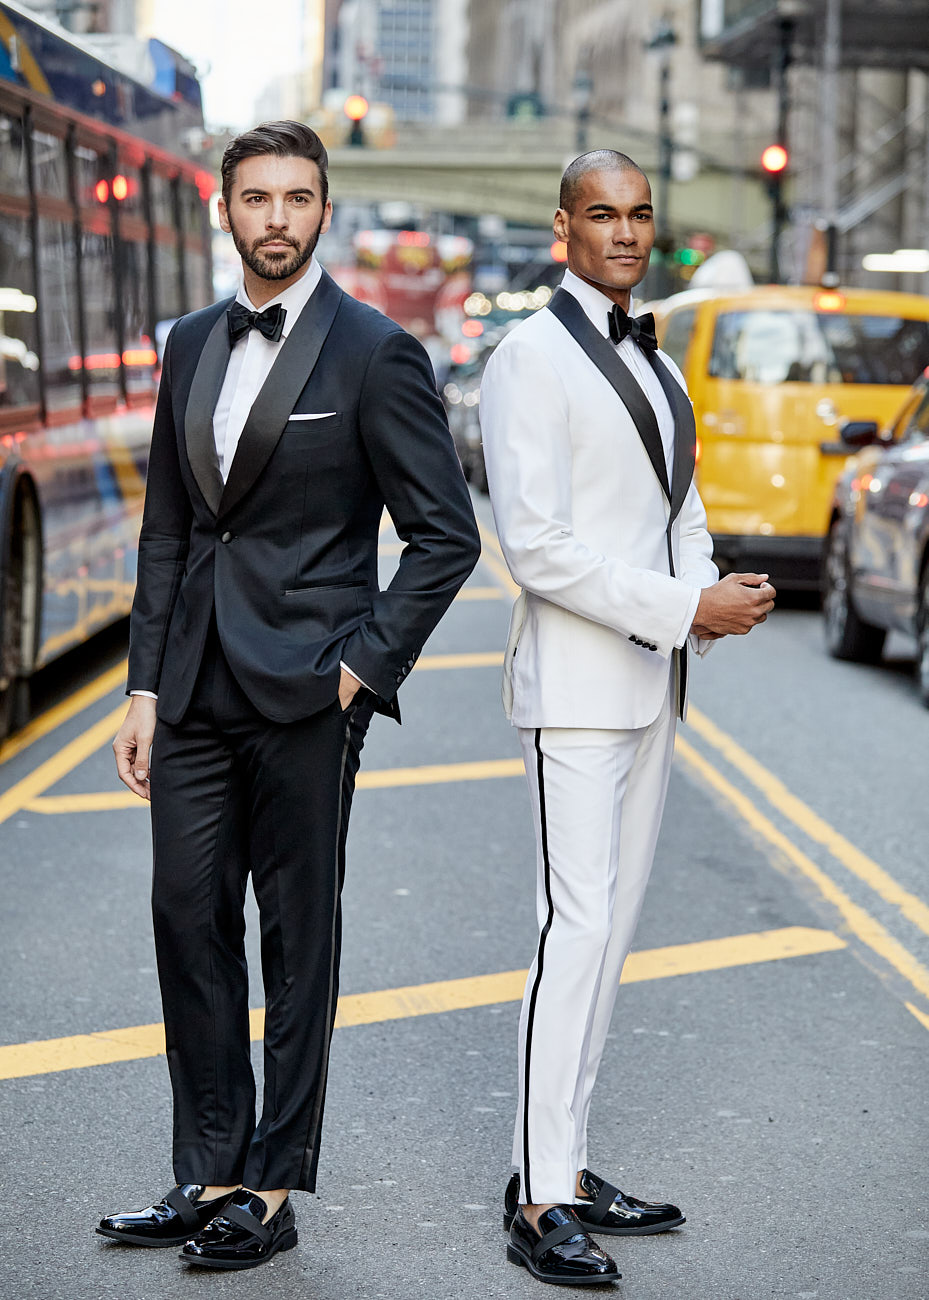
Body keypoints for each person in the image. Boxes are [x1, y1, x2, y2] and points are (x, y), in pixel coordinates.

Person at [98, 120, 480, 1271]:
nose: (275, 217)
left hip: (311, 695)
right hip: (194, 689)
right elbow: (170, 528)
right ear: (224, 209)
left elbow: (442, 536)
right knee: (184, 917)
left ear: (324, 211)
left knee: (296, 943)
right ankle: (206, 1166)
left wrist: (362, 669)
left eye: (296, 198)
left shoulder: (374, 350)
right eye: (255, 197)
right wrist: (142, 685)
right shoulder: (185, 344)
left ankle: (268, 1185)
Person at [480, 149, 774, 1287]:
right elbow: (537, 548)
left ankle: (569, 1156)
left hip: (651, 679)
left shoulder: (655, 364)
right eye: (600, 214)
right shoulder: (525, 359)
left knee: (610, 942)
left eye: (639, 214)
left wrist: (700, 608)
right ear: (562, 228)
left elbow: (679, 509)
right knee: (576, 930)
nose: (624, 232)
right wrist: (678, 604)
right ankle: (537, 1192)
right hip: (572, 693)